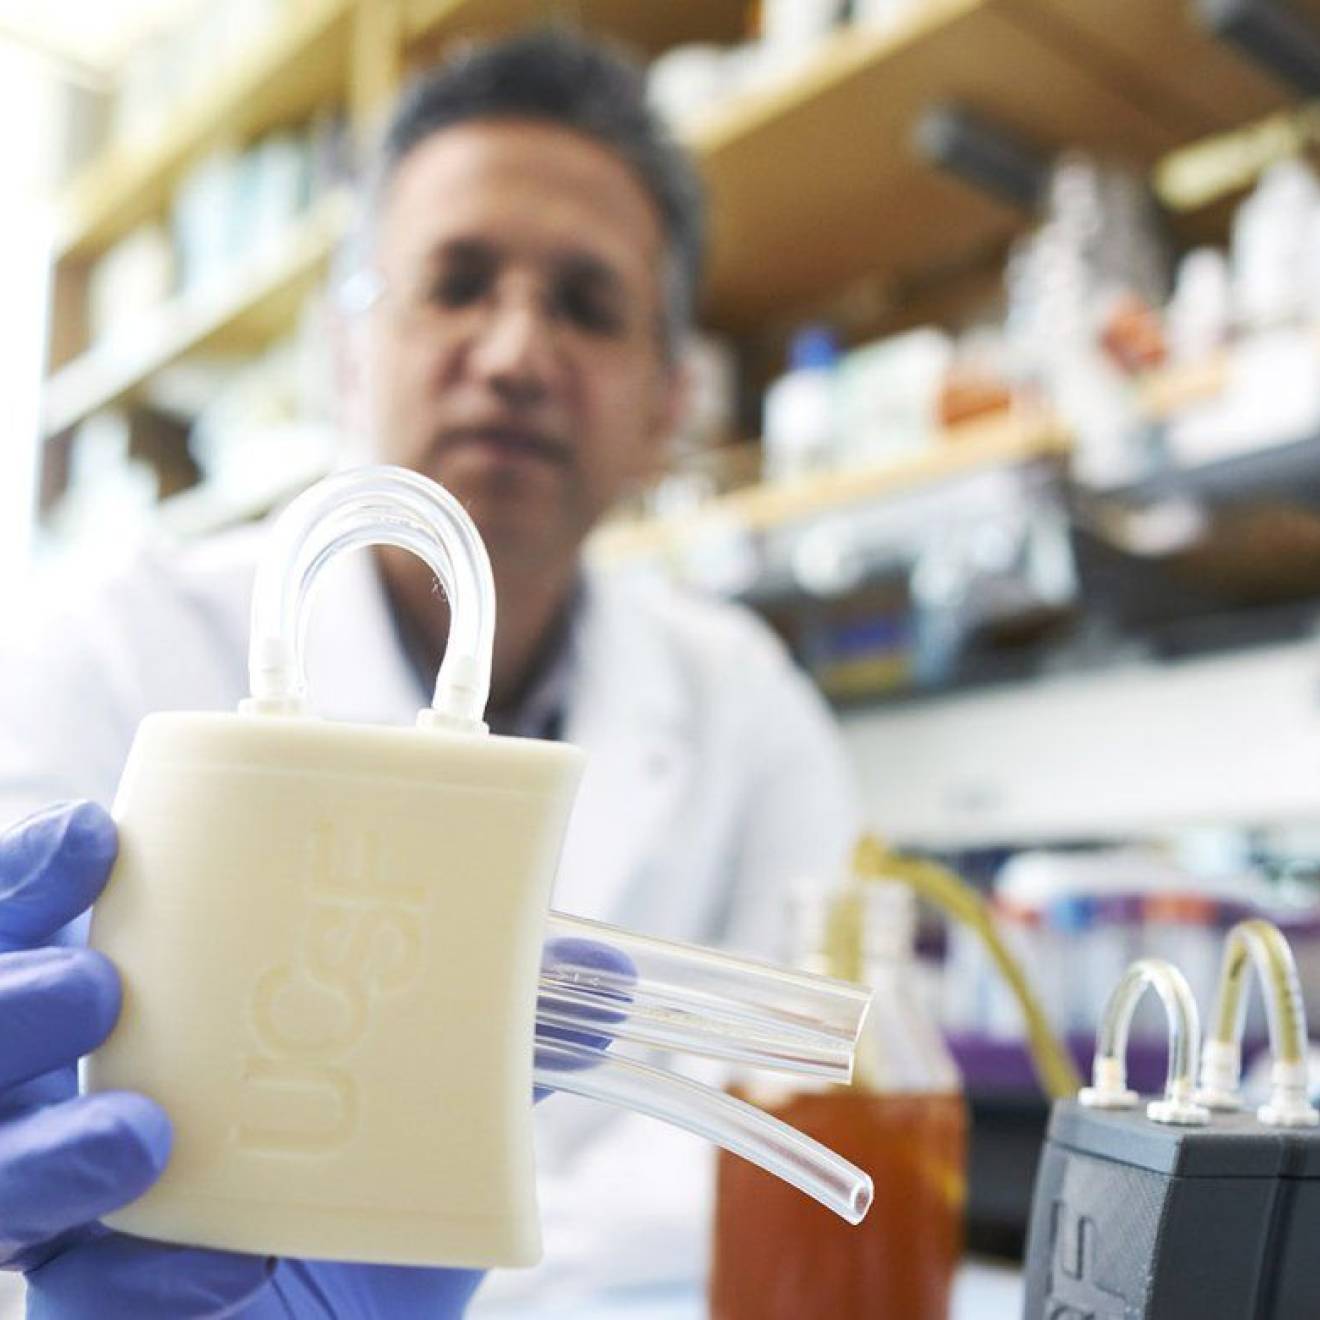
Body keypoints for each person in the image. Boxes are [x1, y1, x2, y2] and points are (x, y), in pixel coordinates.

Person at [0, 28, 858, 1317]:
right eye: (456, 283)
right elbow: (58, 1133)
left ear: (667, 401)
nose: (514, 354)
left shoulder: (751, 706)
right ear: (347, 355)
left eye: (586, 304)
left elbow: (796, 1127)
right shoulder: (118, 643)